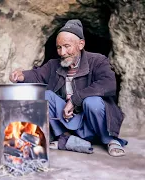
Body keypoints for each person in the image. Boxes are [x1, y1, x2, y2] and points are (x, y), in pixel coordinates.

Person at [9, 19, 127, 157]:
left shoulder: (98, 61)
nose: (62, 52)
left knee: (92, 101)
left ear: (81, 44)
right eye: (59, 47)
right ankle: (65, 137)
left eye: (66, 46)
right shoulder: (54, 64)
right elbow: (37, 75)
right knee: (46, 96)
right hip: (70, 120)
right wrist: (21, 75)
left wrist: (76, 99)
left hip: (92, 122)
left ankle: (110, 140)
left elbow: (108, 84)